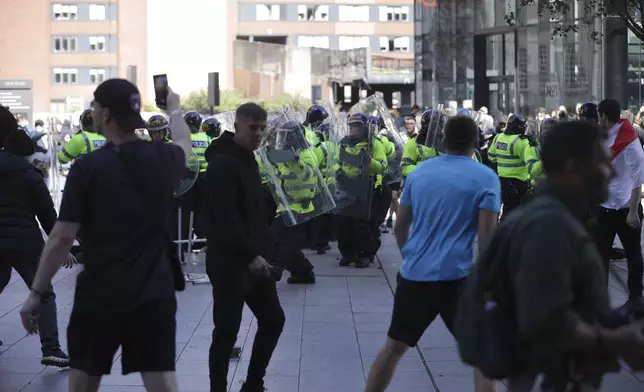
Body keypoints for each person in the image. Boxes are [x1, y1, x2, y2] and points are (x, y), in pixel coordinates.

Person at [19, 79, 192, 392]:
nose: (93, 113)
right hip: (154, 293)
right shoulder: (163, 158)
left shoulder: (89, 168)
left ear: (107, 114)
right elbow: (183, 144)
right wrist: (175, 109)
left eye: (95, 107)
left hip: (101, 294)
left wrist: (36, 292)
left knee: (85, 379)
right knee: (161, 380)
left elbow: (61, 238)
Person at [456, 120, 644, 391]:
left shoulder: (556, 217)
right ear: (573, 169)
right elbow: (545, 319)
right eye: (604, 164)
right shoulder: (548, 226)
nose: (612, 174)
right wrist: (616, 341)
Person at [364, 115, 500, 392]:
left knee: (394, 347)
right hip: (459, 278)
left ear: (442, 140)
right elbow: (487, 239)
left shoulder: (419, 174)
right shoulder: (486, 178)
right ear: (475, 142)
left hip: (415, 276)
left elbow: (400, 225)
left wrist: (410, 256)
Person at [205, 103, 285, 392]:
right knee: (226, 332)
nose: (259, 133)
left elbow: (250, 211)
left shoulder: (248, 159)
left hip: (255, 259)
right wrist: (249, 254)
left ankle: (253, 384)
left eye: (263, 128)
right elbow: (225, 217)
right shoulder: (223, 163)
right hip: (230, 263)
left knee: (273, 319)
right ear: (236, 126)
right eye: (253, 128)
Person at [0, 107, 69, 366]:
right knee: (44, 292)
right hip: (25, 243)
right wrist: (63, 246)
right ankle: (51, 348)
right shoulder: (30, 175)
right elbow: (48, 216)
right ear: (26, 154)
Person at [593, 99, 644, 315]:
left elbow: (637, 178)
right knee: (600, 256)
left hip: (625, 208)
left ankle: (636, 299)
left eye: (598, 116)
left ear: (604, 116)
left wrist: (633, 210)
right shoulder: (601, 137)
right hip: (604, 206)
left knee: (633, 255)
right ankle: (599, 301)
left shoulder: (629, 141)